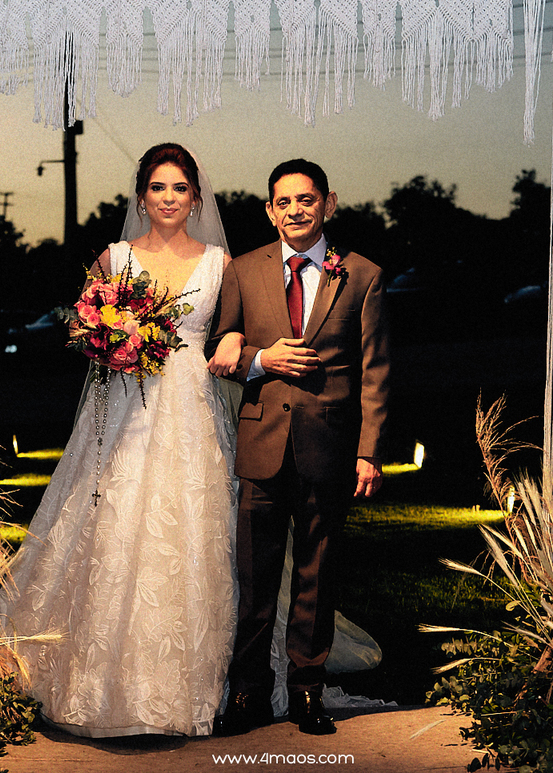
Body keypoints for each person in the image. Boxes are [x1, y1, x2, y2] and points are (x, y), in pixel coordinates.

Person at [0, 143, 238, 737]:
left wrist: (229, 343)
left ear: (196, 197)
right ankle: (100, 679)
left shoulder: (220, 262)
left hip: (191, 408)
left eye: (180, 189)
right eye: (158, 188)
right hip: (127, 408)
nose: (169, 199)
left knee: (190, 530)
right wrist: (109, 336)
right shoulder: (116, 256)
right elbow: (79, 326)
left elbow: (235, 329)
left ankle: (189, 684)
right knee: (114, 525)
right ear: (141, 197)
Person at [209, 158, 391, 736]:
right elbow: (221, 350)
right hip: (262, 442)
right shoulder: (242, 270)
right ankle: (248, 694)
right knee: (256, 578)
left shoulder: (360, 274)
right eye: (284, 202)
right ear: (270, 210)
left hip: (329, 447)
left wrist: (368, 451)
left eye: (306, 200)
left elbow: (376, 372)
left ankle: (307, 690)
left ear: (328, 204)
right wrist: (262, 359)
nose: (295, 210)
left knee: (317, 571)